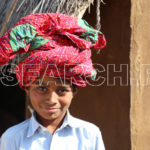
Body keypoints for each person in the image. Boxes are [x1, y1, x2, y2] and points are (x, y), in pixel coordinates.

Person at [0, 13, 106, 150]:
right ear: (27, 88)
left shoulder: (89, 135)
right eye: (42, 89)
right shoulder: (12, 138)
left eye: (62, 90)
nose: (51, 100)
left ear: (74, 91)